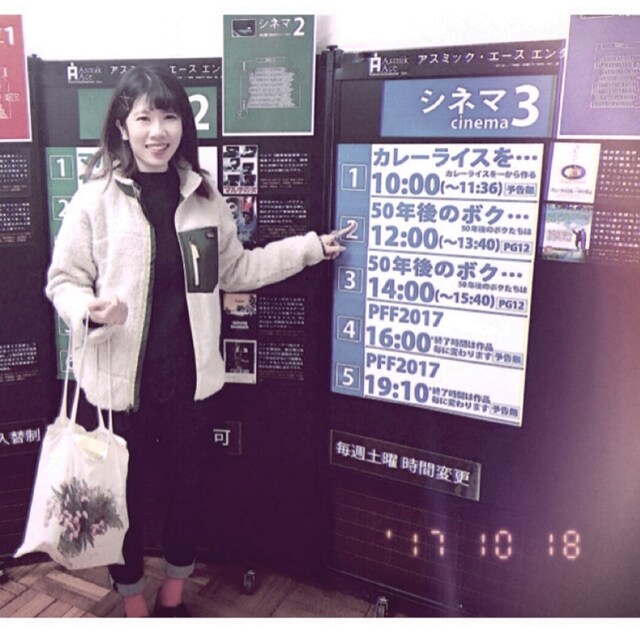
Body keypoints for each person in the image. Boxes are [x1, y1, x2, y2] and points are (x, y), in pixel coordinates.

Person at [45, 65, 350, 618]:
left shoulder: (204, 198)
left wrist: (311, 248)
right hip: (120, 390)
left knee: (187, 493)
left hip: (190, 382)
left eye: (169, 117)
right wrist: (86, 309)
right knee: (123, 499)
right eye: (145, 118)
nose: (157, 131)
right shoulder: (95, 199)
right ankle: (132, 600)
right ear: (122, 125)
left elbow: (237, 270)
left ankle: (173, 594)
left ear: (184, 124)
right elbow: (64, 280)